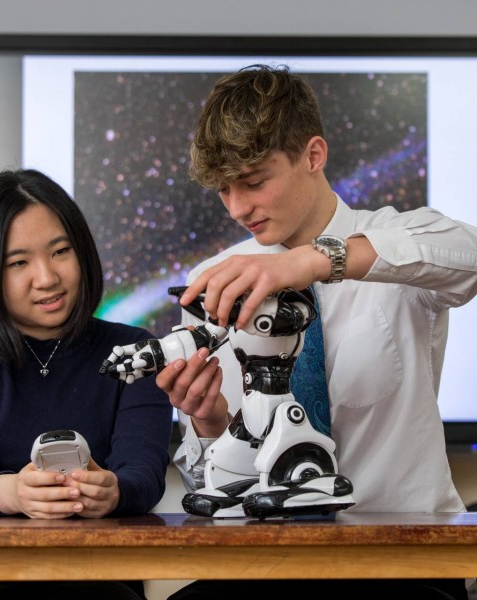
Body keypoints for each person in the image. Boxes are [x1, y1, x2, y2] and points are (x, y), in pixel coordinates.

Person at [154, 65, 477, 599]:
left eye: (254, 182)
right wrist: (208, 421)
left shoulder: (394, 244)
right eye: (223, 190)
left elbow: (470, 254)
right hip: (267, 566)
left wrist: (312, 261)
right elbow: (206, 483)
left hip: (401, 560)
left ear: (313, 155)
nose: (237, 209)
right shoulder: (216, 281)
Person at [0, 168, 173, 600]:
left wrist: (113, 492)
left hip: (96, 576)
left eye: (60, 251)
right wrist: (15, 493)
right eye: (18, 263)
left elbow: (143, 476)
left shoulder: (136, 351)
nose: (47, 278)